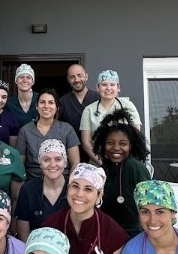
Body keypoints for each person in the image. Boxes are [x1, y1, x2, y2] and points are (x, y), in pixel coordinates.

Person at [92, 107, 152, 237]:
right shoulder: (104, 169)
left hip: (133, 237)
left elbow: (150, 205)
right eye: (110, 143)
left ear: (131, 146)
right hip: (108, 235)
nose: (116, 148)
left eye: (123, 143)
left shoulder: (135, 168)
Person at [16, 88, 80, 179]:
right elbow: (20, 165)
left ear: (57, 107)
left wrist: (71, 183)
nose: (46, 106)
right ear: (36, 106)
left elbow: (75, 163)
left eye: (51, 102)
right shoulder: (25, 131)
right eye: (42, 102)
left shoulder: (67, 129)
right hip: (34, 180)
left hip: (62, 180)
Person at [80, 70, 142, 165]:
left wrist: (122, 161)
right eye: (104, 84)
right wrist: (103, 163)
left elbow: (135, 136)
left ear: (118, 88)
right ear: (97, 87)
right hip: (98, 165)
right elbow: (86, 143)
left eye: (112, 84)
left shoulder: (128, 106)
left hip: (125, 163)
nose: (108, 88)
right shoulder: (89, 110)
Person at [15, 139, 69, 242]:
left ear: (65, 162)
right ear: (40, 163)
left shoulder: (74, 188)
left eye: (58, 159)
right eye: (46, 160)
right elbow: (24, 237)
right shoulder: (28, 190)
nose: (52, 164)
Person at [58, 63, 97, 153]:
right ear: (68, 80)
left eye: (80, 75)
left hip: (96, 153)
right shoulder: (62, 102)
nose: (76, 80)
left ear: (86, 77)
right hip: (72, 153)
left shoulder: (98, 98)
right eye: (72, 77)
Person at [7, 63, 39, 128]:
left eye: (28, 77)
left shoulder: (41, 99)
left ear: (32, 82)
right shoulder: (9, 103)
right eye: (21, 77)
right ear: (16, 81)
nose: (25, 80)